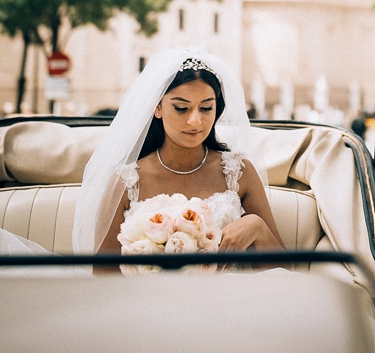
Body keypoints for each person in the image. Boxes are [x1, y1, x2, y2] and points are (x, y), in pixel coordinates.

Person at [75, 49, 285, 266]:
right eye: (181, 108)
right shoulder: (126, 181)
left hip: (229, 295)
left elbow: (284, 269)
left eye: (206, 108)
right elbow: (103, 275)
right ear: (157, 108)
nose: (195, 121)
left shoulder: (238, 171)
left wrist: (256, 226)